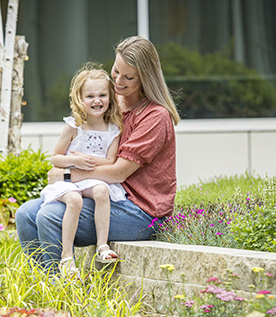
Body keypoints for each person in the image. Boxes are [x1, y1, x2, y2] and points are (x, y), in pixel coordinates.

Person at [16, 36, 180, 272]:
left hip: (140, 211)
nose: (118, 81)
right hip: (104, 194)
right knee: (25, 214)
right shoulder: (112, 103)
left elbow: (120, 171)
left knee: (50, 216)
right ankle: (42, 286)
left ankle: (60, 288)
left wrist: (67, 175)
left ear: (146, 78)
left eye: (129, 77)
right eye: (116, 71)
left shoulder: (155, 116)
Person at [39, 65, 125, 276]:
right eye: (90, 96)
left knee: (102, 191)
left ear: (110, 97)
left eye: (102, 95)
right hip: (69, 180)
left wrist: (90, 161)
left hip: (90, 179)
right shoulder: (74, 126)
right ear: (79, 98)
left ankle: (102, 246)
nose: (97, 100)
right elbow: (55, 158)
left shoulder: (113, 129)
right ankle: (67, 255)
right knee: (75, 200)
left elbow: (111, 160)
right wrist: (75, 160)